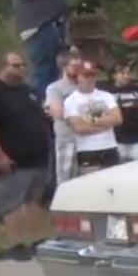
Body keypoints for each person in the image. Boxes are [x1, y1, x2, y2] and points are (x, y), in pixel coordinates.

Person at [0, 53, 51, 260]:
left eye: (23, 66)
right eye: (16, 66)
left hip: (38, 158)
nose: (21, 69)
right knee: (12, 203)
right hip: (11, 159)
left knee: (35, 201)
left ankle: (38, 240)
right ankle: (17, 244)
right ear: (2, 67)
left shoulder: (30, 92)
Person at [62, 61, 122, 174]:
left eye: (92, 75)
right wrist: (105, 124)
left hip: (109, 146)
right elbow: (80, 128)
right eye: (85, 76)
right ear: (78, 77)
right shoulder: (71, 100)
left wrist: (91, 123)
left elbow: (117, 118)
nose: (90, 79)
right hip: (87, 149)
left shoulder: (106, 96)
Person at [45, 49, 84, 184]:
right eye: (74, 66)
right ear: (63, 66)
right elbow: (57, 112)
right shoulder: (54, 88)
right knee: (66, 179)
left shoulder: (84, 86)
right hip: (67, 139)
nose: (78, 69)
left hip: (87, 139)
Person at [108, 62, 138, 161]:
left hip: (135, 135)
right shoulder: (108, 91)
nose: (126, 76)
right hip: (116, 137)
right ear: (114, 75)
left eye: (128, 73)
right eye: (122, 74)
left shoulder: (136, 89)